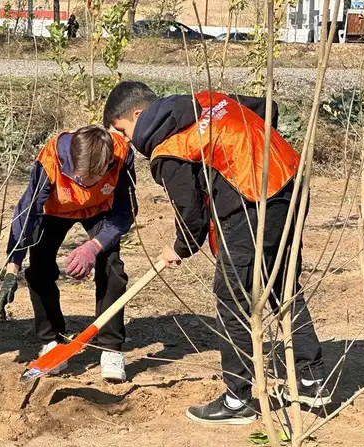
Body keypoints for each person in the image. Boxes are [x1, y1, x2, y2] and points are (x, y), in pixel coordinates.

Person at [102, 81, 330, 424]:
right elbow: (266, 108)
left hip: (253, 201)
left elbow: (191, 216)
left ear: (137, 114)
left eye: (122, 131)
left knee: (231, 297)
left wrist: (179, 247)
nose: (125, 142)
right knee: (280, 286)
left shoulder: (170, 148)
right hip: (289, 180)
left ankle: (238, 400)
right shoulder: (206, 100)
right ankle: (311, 382)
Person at [0, 126, 136, 382]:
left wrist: (93, 246)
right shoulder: (50, 161)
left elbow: (124, 213)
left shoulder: (121, 154)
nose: (87, 185)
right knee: (39, 268)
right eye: (82, 178)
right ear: (70, 163)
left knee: (112, 266)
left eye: (95, 179)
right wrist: (12, 266)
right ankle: (52, 342)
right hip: (55, 211)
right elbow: (27, 214)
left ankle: (110, 347)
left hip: (101, 211)